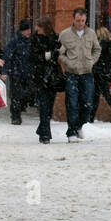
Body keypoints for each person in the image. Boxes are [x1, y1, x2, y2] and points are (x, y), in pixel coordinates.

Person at [59, 8, 100, 140]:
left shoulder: (91, 34)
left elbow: (97, 49)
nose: (80, 23)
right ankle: (71, 131)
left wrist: (92, 61)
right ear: (73, 19)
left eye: (83, 21)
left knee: (87, 103)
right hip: (71, 73)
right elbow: (60, 53)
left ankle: (80, 125)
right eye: (78, 20)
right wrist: (67, 62)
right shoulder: (65, 35)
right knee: (72, 102)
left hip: (87, 73)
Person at [29, 15, 64, 143]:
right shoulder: (35, 39)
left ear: (44, 27)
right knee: (44, 105)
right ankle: (45, 135)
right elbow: (32, 56)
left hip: (52, 76)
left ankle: (42, 128)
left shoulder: (55, 38)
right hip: (40, 76)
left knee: (49, 106)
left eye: (38, 25)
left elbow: (59, 53)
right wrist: (46, 56)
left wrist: (52, 55)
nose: (36, 28)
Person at [2, 20, 34, 125]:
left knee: (28, 93)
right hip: (16, 73)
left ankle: (21, 106)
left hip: (29, 72)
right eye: (27, 30)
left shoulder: (32, 41)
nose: (29, 31)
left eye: (30, 29)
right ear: (22, 31)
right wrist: (5, 71)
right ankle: (15, 116)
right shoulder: (14, 42)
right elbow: (7, 56)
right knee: (16, 95)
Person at [90, 25, 111, 123]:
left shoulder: (101, 44)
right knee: (100, 95)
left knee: (100, 95)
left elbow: (97, 59)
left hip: (99, 72)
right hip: (107, 72)